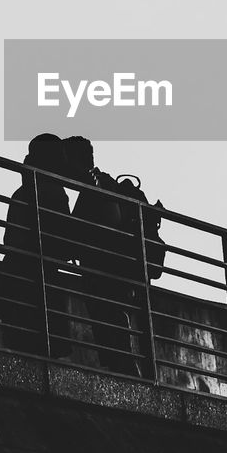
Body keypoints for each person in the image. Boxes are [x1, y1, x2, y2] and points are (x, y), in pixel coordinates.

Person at [65, 136, 165, 377]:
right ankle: (133, 381)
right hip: (116, 276)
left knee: (115, 341)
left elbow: (89, 234)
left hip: (106, 278)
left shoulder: (96, 187)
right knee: (116, 340)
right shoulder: (104, 184)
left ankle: (135, 387)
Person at [0, 134, 73, 355]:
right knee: (46, 353)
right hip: (39, 280)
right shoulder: (53, 193)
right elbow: (63, 243)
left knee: (22, 353)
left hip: (18, 279)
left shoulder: (23, 191)